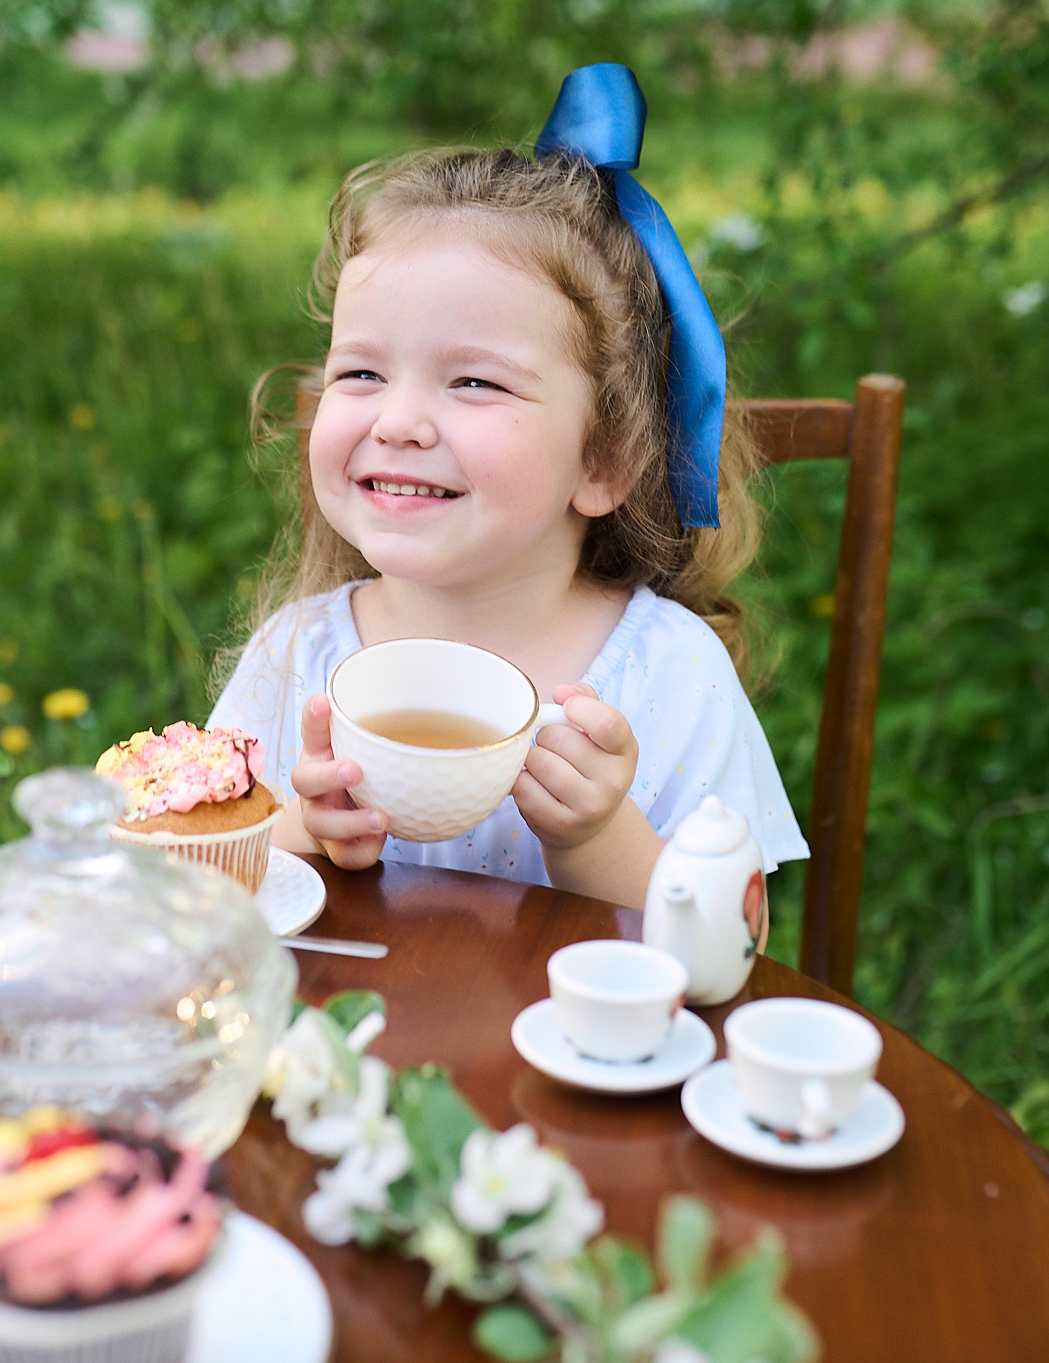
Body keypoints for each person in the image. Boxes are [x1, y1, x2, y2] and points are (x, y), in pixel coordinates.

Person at [207, 65, 807, 910]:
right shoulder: (297, 656)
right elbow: (193, 886)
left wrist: (597, 838)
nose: (400, 422)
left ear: (604, 460)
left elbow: (737, 945)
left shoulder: (666, 674)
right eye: (364, 371)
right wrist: (304, 829)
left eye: (475, 383)